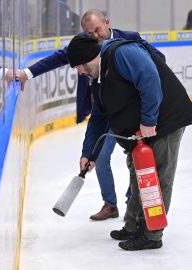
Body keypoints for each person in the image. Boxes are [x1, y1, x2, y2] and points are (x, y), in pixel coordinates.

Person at [15, 9, 165, 221]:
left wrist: (145, 107)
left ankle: (133, 206)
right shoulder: (85, 47)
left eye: (97, 29)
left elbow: (157, 63)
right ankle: (110, 204)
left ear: (107, 23)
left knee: (135, 160)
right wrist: (27, 74)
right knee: (101, 158)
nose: (95, 35)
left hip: (131, 112)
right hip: (104, 111)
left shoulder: (129, 40)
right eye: (89, 32)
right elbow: (58, 58)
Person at [66, 34, 192, 250]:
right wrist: (89, 154)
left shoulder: (121, 53)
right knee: (138, 173)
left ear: (92, 56)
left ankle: (152, 234)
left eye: (81, 65)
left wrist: (149, 119)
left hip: (166, 121)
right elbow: (98, 118)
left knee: (158, 179)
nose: (80, 71)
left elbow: (150, 78)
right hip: (141, 130)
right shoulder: (97, 78)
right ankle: (133, 225)